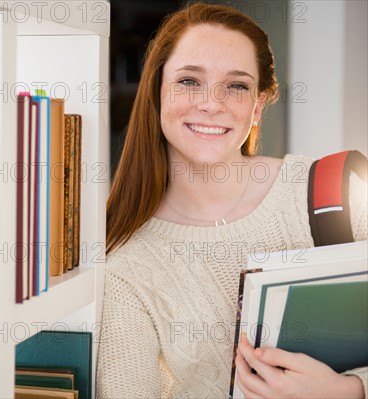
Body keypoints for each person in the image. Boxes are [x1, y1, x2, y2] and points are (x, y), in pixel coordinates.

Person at [96, 2, 368, 398]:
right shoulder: (127, 267)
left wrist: (349, 391)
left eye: (237, 85)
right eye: (189, 80)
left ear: (257, 106)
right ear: (157, 94)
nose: (212, 103)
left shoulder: (332, 194)